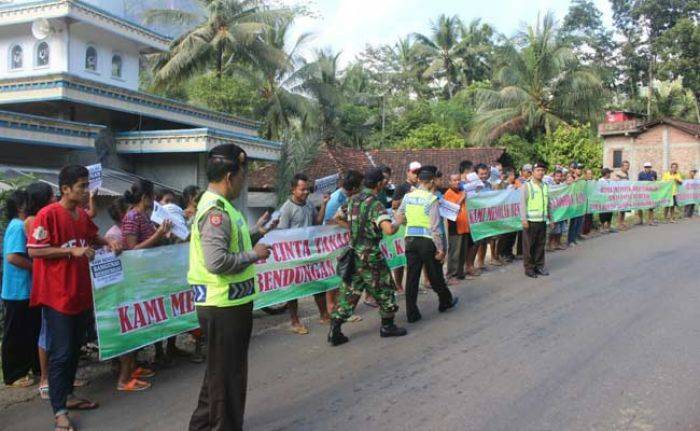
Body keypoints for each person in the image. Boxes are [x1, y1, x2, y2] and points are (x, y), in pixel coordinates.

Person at [28, 165, 121, 431]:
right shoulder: (47, 215)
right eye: (81, 186)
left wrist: (109, 243)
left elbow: (93, 235)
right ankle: (59, 412)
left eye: (85, 185)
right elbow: (35, 251)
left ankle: (67, 396)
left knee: (73, 350)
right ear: (65, 188)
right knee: (62, 352)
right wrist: (72, 252)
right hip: (58, 296)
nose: (85, 191)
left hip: (80, 294)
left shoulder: (80, 214)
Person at [187, 144, 272, 431]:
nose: (242, 183)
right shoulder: (216, 212)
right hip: (223, 306)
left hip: (228, 304)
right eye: (242, 177)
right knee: (228, 380)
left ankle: (200, 427)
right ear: (228, 176)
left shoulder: (222, 208)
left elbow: (228, 244)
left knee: (219, 375)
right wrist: (255, 255)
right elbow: (217, 261)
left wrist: (257, 233)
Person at [328, 167, 407, 345]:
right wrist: (398, 222)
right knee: (385, 289)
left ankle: (335, 330)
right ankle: (387, 326)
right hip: (371, 256)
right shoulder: (375, 204)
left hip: (354, 253)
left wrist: (354, 230)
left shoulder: (352, 200)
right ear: (379, 184)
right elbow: (388, 229)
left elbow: (337, 217)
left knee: (349, 292)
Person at [121, 179, 172, 389]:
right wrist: (159, 234)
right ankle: (124, 378)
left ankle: (133, 367)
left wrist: (162, 234)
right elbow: (132, 250)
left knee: (140, 324)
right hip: (135, 277)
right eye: (152, 197)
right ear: (145, 198)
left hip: (145, 277)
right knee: (132, 325)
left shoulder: (143, 216)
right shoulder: (132, 216)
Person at [395, 166, 458, 323]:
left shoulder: (408, 197)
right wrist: (441, 249)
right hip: (427, 241)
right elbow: (435, 227)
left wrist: (408, 223)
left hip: (410, 240)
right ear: (430, 182)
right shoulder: (431, 199)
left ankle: (412, 313)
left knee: (412, 278)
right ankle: (445, 301)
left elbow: (399, 215)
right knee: (435, 274)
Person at [277, 173, 330, 334]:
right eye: (302, 189)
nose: (306, 192)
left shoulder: (308, 205)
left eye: (307, 189)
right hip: (293, 256)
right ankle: (294, 322)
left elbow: (317, 223)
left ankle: (324, 315)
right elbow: (281, 233)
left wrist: (324, 205)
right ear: (293, 190)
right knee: (294, 290)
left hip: (310, 253)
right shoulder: (286, 209)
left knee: (318, 285)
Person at [2, 189, 40, 388]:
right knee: (15, 333)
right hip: (18, 289)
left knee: (29, 330)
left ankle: (31, 368)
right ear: (20, 206)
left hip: (25, 289)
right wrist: (35, 268)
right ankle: (13, 374)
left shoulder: (18, 225)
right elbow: (12, 257)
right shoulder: (17, 226)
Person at [23, 182, 58, 400]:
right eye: (52, 195)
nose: (55, 199)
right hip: (47, 282)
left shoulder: (51, 215)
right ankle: (45, 378)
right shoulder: (34, 221)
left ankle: (60, 375)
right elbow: (39, 249)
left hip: (58, 281)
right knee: (47, 331)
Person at [323, 170, 363, 316]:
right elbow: (329, 221)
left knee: (345, 274)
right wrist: (351, 228)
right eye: (360, 186)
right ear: (353, 188)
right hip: (333, 243)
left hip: (345, 242)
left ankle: (341, 306)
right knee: (335, 274)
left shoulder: (348, 197)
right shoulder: (336, 199)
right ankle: (332, 307)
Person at [391, 162, 421, 293]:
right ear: (408, 172)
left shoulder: (420, 186)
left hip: (416, 224)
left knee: (414, 258)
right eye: (414, 172)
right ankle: (398, 286)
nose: (416, 175)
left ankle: (413, 285)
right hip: (403, 226)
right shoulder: (401, 187)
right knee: (401, 257)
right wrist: (407, 195)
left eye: (418, 172)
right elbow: (393, 205)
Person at [520, 162, 551, 278]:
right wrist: (524, 219)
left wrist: (551, 218)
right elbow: (522, 203)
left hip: (542, 220)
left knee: (540, 245)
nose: (540, 172)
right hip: (530, 221)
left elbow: (548, 203)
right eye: (538, 170)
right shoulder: (527, 185)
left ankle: (539, 266)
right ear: (532, 172)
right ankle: (529, 268)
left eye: (542, 170)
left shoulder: (545, 185)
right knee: (529, 246)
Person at [443, 174, 469, 280]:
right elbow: (451, 209)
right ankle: (451, 274)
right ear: (450, 182)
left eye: (459, 180)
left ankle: (460, 273)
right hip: (455, 226)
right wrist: (462, 198)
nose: (457, 182)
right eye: (454, 180)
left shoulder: (461, 191)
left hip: (464, 225)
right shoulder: (448, 193)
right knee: (454, 251)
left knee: (463, 251)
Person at [547, 169, 568, 251]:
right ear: (554, 177)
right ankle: (550, 244)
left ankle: (558, 243)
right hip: (554, 211)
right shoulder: (550, 186)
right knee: (553, 229)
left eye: (560, 176)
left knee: (561, 229)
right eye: (557, 176)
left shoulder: (563, 185)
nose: (559, 178)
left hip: (562, 210)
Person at [614, 160, 631, 230]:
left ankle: (623, 222)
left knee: (624, 209)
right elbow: (616, 182)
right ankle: (619, 224)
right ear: (622, 166)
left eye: (628, 166)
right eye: (625, 165)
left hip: (626, 194)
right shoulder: (618, 173)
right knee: (620, 210)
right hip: (620, 194)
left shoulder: (626, 173)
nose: (627, 167)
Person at [598, 168, 616, 233]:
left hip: (610, 200)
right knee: (603, 214)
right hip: (603, 200)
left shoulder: (610, 181)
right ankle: (602, 227)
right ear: (606, 174)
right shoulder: (600, 181)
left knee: (609, 214)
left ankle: (608, 227)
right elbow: (599, 190)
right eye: (609, 173)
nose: (610, 174)